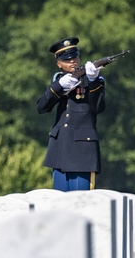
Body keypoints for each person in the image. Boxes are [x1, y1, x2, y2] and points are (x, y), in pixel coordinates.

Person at [36, 37, 106, 191]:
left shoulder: (93, 79)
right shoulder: (59, 81)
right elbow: (42, 107)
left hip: (83, 152)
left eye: (74, 57)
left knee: (81, 203)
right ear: (59, 63)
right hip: (59, 150)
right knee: (61, 207)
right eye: (67, 60)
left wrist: (93, 81)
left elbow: (98, 107)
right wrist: (58, 87)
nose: (72, 62)